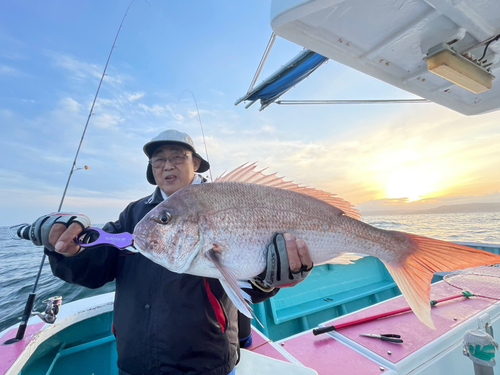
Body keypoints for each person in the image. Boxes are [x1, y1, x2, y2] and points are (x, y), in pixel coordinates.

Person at [29, 129, 313, 375]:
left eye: (178, 156)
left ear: (196, 163)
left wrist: (270, 278)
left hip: (207, 363)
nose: (167, 166)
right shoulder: (134, 215)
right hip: (135, 361)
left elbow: (251, 286)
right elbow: (98, 268)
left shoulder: (226, 200)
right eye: (158, 159)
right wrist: (69, 251)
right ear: (151, 169)